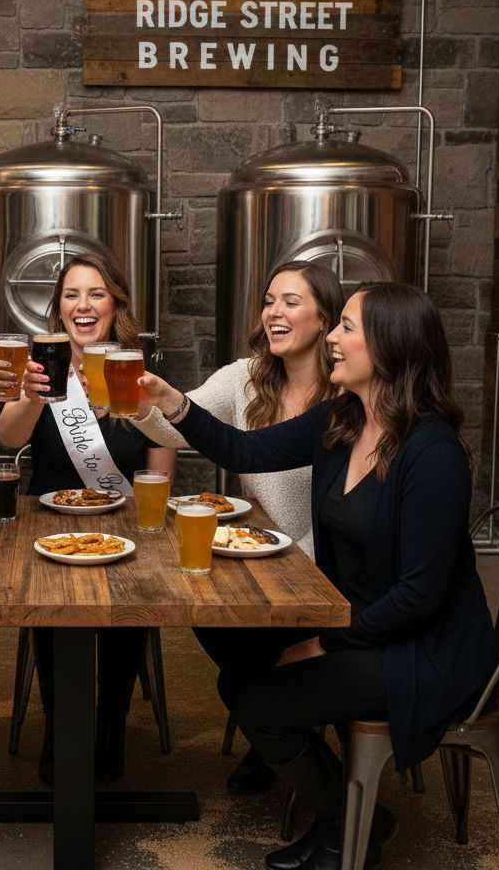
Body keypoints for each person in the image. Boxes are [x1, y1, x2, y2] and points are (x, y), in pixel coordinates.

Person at [140, 282, 498, 870]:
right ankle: (353, 813)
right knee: (243, 680)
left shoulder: (432, 454)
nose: (332, 336)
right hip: (363, 620)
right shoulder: (343, 419)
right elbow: (243, 451)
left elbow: (421, 595)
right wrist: (172, 403)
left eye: (347, 327)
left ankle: (347, 830)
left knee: (262, 705)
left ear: (392, 346)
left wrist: (323, 640)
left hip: (424, 648)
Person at [134, 260, 344, 794]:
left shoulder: (346, 396)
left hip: (327, 563)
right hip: (266, 553)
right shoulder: (246, 376)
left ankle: (275, 730)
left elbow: (344, 510)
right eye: (269, 300)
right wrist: (139, 407)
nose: (273, 311)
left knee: (246, 647)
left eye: (290, 302)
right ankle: (273, 731)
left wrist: (296, 564)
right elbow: (183, 429)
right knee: (209, 614)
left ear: (325, 319)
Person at [0, 252, 176, 783]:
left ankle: (109, 726)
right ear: (58, 309)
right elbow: (9, 438)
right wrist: (36, 396)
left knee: (133, 600)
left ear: (116, 306)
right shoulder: (39, 367)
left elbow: (163, 461)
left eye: (96, 294)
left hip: (124, 524)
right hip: (47, 525)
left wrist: (144, 523)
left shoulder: (137, 373)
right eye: (71, 295)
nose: (83, 305)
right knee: (49, 604)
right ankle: (61, 729)